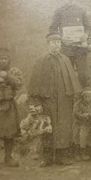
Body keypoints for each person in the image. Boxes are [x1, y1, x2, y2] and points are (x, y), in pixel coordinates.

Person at [28, 33, 82, 167]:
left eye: (58, 42)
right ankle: (47, 158)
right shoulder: (41, 61)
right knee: (48, 128)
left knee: (63, 128)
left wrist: (74, 95)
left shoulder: (65, 60)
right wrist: (37, 103)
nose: (56, 45)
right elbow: (34, 84)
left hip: (64, 99)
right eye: (53, 42)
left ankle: (61, 156)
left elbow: (72, 81)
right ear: (48, 44)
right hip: (48, 100)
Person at [49, 0, 91, 87]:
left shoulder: (81, 11)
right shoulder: (59, 11)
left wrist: (85, 35)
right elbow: (52, 29)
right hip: (66, 49)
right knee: (66, 76)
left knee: (83, 76)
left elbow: (88, 27)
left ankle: (83, 100)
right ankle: (68, 101)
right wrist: (61, 38)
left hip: (80, 49)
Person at [72, 87, 91, 161]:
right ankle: (77, 154)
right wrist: (82, 115)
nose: (87, 98)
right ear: (82, 96)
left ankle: (84, 153)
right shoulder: (78, 103)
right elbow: (75, 112)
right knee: (78, 137)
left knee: (86, 138)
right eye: (85, 96)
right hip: (79, 123)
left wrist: (90, 114)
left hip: (88, 123)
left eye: (89, 97)